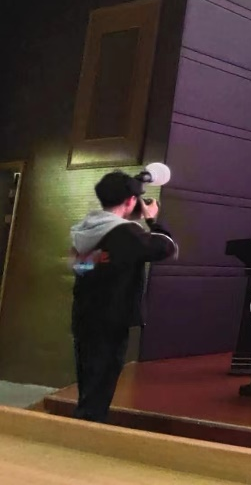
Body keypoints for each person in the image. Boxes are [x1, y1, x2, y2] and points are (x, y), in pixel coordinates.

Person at [68, 171, 178, 422]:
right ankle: (85, 433)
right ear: (130, 200)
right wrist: (152, 219)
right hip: (111, 319)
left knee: (89, 381)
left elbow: (82, 265)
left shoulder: (85, 228)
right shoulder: (126, 233)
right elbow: (168, 247)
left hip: (84, 315)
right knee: (100, 386)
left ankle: (82, 425)